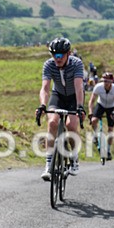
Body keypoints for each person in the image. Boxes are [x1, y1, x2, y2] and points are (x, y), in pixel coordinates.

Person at [36, 37, 85, 180]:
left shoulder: (76, 64)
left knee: (71, 125)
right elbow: (45, 88)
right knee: (52, 123)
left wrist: (80, 107)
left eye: (60, 55)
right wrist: (42, 106)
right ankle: (48, 164)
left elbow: (79, 87)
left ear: (68, 53)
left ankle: (74, 158)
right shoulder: (49, 65)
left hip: (73, 97)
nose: (57, 58)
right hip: (57, 95)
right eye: (54, 55)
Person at [88, 71, 114, 159]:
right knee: (93, 121)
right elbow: (91, 101)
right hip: (101, 104)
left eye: (107, 81)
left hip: (111, 106)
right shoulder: (98, 87)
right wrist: (91, 112)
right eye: (104, 81)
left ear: (111, 82)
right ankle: (96, 135)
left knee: (110, 129)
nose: (105, 83)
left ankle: (108, 150)